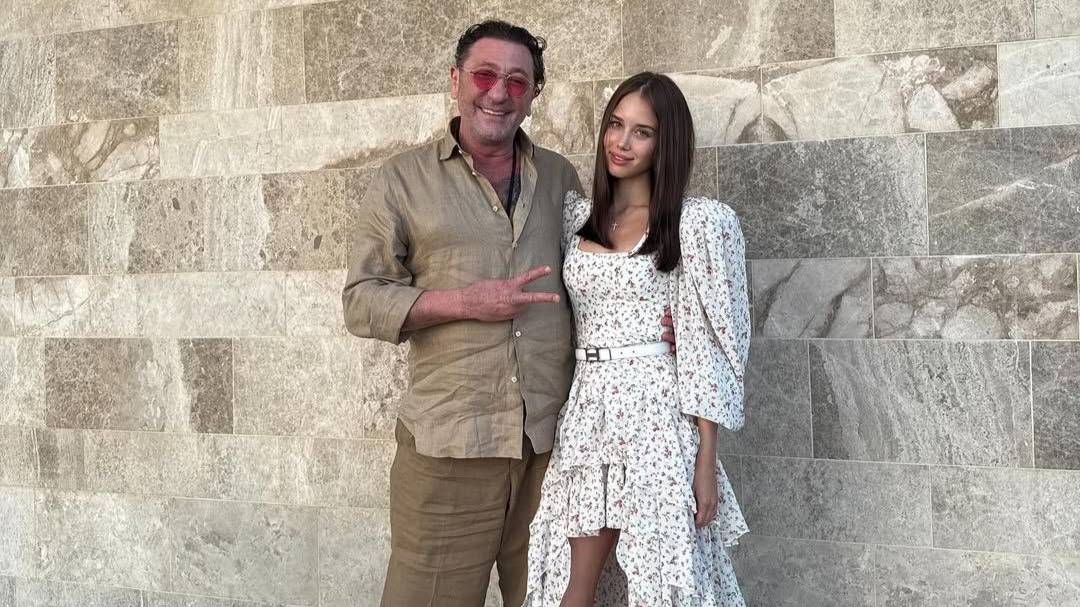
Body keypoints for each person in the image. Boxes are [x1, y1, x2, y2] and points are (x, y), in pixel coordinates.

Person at [342, 22, 673, 607]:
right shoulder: (402, 180)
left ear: (534, 93)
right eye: (485, 75)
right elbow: (362, 300)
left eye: (517, 81)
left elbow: (597, 277)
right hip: (449, 449)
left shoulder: (560, 178)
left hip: (553, 449)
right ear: (456, 80)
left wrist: (658, 324)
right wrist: (464, 303)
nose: (498, 92)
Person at [524, 72, 751, 607]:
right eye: (616, 125)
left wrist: (706, 459)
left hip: (657, 416)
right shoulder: (576, 218)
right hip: (587, 412)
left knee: (661, 581)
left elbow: (711, 344)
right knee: (571, 586)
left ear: (665, 143)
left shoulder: (696, 224)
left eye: (642, 132)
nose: (622, 142)